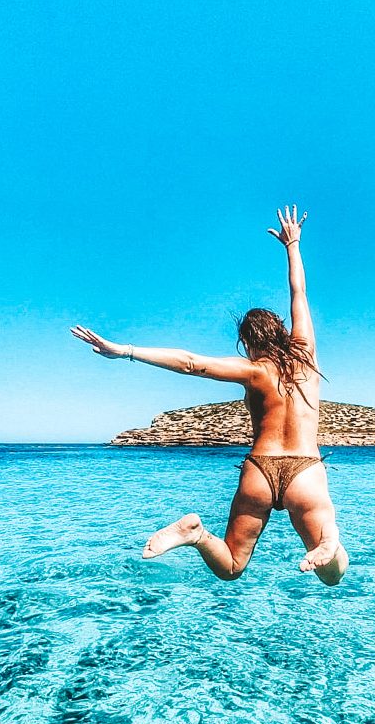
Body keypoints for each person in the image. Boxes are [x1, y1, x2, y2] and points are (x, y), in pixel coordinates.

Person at [70, 205, 348, 585]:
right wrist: (293, 245)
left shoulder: (251, 370)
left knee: (232, 566)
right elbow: (298, 292)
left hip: (261, 470)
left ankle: (196, 534)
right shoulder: (306, 356)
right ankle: (329, 542)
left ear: (247, 343)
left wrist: (127, 350)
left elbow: (189, 362)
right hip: (305, 470)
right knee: (332, 576)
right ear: (281, 331)